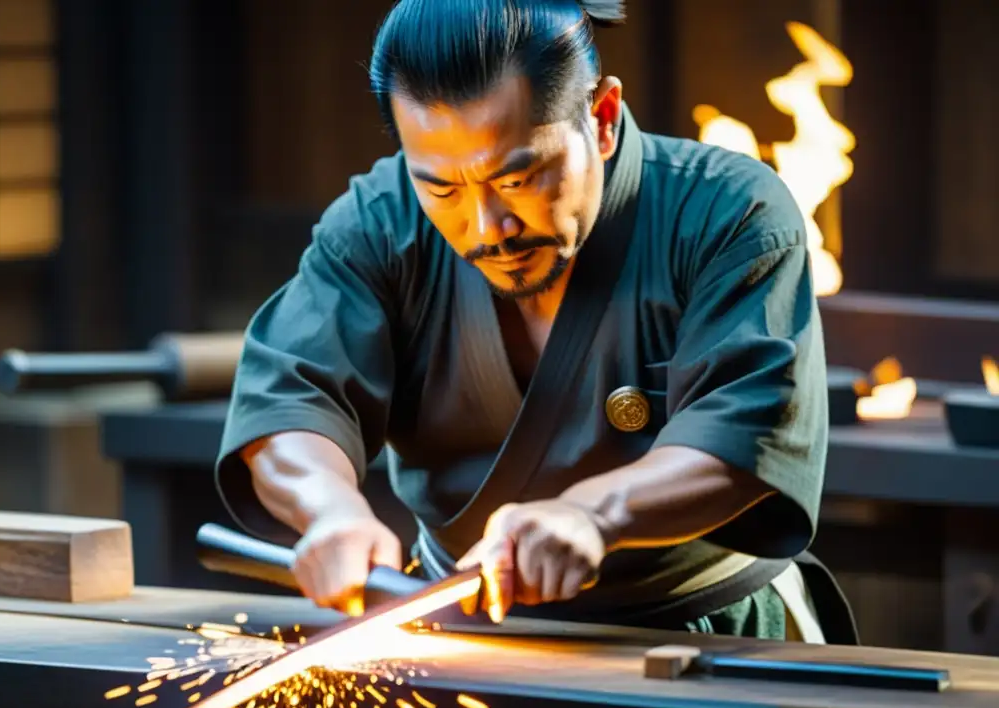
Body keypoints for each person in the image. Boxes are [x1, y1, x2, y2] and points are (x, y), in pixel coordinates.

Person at [215, 0, 858, 644]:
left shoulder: (731, 212)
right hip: (454, 629)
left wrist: (593, 514)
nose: (489, 227)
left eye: (520, 177)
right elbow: (291, 397)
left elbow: (749, 434)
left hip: (705, 628)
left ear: (602, 119)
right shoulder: (380, 222)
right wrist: (330, 511)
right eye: (443, 190)